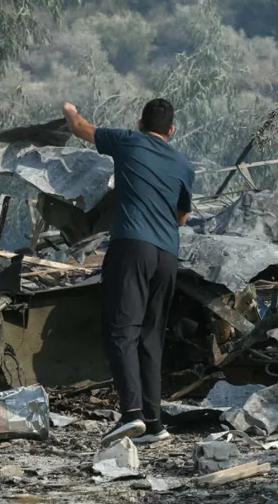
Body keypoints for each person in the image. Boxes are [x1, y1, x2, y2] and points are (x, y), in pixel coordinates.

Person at [62, 98, 195, 448]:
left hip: (132, 246)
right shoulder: (183, 164)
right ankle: (154, 424)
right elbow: (182, 217)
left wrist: (69, 108)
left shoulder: (129, 141)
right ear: (172, 130)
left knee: (122, 332)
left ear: (140, 124)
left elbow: (79, 128)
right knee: (151, 338)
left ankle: (132, 414)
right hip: (167, 254)